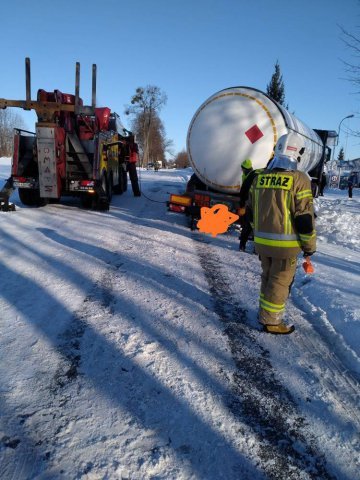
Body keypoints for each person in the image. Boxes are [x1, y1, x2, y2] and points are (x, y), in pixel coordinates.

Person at [247, 133, 316, 334]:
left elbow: (251, 213)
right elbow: (304, 219)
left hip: (262, 242)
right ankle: (271, 322)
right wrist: (309, 247)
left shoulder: (258, 178)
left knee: (267, 277)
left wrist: (257, 233)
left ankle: (264, 314)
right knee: (279, 282)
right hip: (286, 247)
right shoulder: (300, 179)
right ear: (298, 153)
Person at [238, 159, 257, 252]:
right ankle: (244, 245)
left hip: (250, 203)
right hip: (249, 203)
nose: (242, 170)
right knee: (249, 225)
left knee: (249, 225)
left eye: (242, 168)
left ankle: (246, 246)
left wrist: (242, 203)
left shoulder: (252, 176)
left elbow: (245, 190)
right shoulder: (246, 175)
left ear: (246, 168)